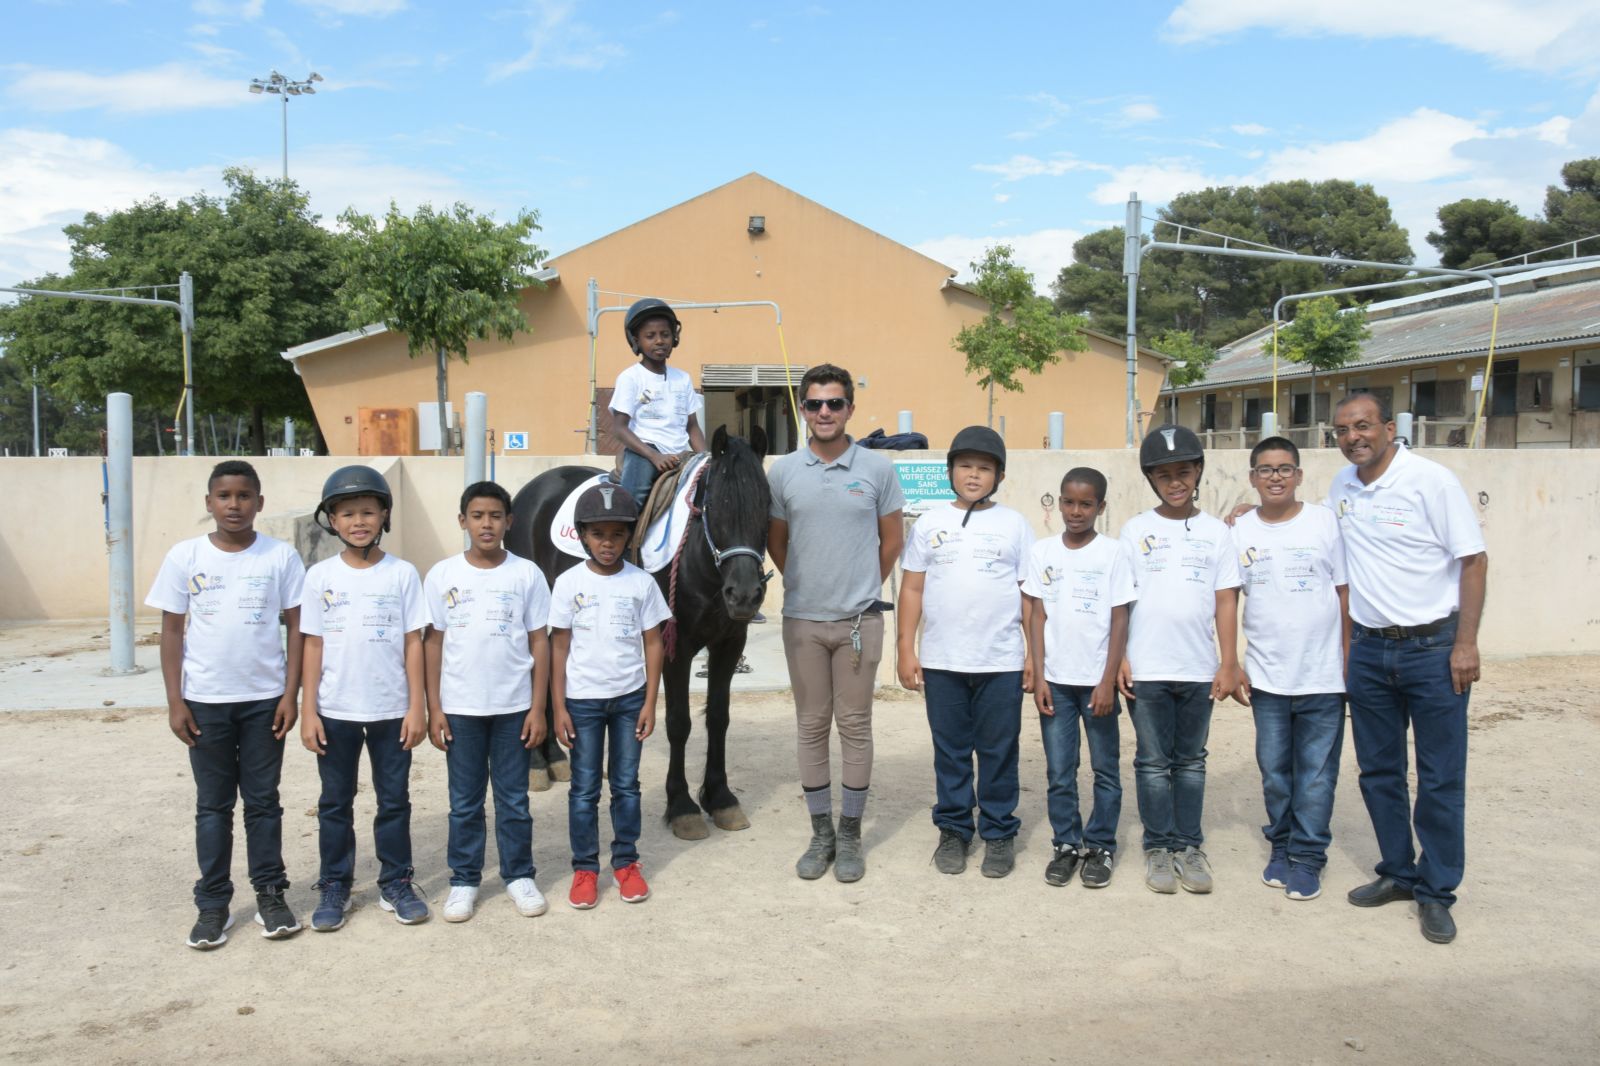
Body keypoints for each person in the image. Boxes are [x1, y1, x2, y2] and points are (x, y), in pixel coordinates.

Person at [1329, 392, 1487, 944]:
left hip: (1433, 649)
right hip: (1370, 652)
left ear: (1389, 427)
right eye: (1344, 430)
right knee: (1379, 772)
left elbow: (1473, 560)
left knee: (1441, 777)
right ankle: (1398, 872)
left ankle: (1437, 891)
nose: (1354, 437)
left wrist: (1465, 643)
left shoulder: (1431, 481)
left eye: (1364, 425)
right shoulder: (1341, 487)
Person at [146, 460, 306, 950]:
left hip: (264, 704)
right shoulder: (185, 556)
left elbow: (298, 628)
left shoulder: (280, 557)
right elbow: (172, 631)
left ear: (260, 502)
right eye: (223, 496)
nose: (233, 505)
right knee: (213, 806)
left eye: (243, 496)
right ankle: (213, 903)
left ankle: (271, 896)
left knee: (263, 803)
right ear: (209, 503)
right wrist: (176, 701)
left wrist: (290, 695)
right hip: (205, 703)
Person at [768, 363, 905, 883]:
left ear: (850, 408)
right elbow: (776, 541)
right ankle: (820, 831)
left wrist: (859, 587)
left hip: (858, 622)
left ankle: (850, 834)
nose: (824, 412)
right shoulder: (783, 472)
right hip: (803, 620)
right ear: (801, 409)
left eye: (835, 403)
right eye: (814, 404)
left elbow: (891, 541)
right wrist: (808, 585)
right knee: (809, 726)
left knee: (854, 725)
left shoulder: (876, 469)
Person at [897, 426, 1034, 879]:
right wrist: (905, 648)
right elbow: (912, 587)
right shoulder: (931, 523)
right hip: (942, 660)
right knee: (951, 750)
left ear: (999, 475)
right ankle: (954, 829)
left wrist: (1035, 655)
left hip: (1001, 660)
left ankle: (998, 833)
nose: (974, 475)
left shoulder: (1014, 524)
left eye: (984, 468)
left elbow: (1029, 595)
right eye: (965, 466)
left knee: (998, 749)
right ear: (950, 471)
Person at [299, 466, 430, 930]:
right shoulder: (318, 577)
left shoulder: (403, 574)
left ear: (384, 516)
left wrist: (418, 706)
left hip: (391, 709)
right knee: (335, 801)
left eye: (368, 512)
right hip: (334, 710)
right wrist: (307, 710)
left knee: (394, 799)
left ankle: (395, 881)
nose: (359, 521)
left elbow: (414, 641)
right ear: (331, 519)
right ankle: (335, 884)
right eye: (347, 512)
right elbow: (312, 644)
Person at [1117, 425, 1241, 896]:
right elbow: (1122, 601)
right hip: (1146, 669)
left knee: (1190, 762)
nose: (1175, 482)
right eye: (1164, 474)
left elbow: (1226, 599)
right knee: (1151, 762)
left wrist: (1228, 662)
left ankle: (1188, 846)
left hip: (1196, 668)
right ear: (1151, 479)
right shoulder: (1136, 530)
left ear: (1198, 473)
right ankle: (1157, 848)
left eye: (1183, 472)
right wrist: (1122, 658)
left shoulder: (1216, 534)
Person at [423, 481, 552, 923]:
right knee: (465, 802)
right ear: (463, 521)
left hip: (514, 706)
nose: (486, 524)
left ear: (509, 522)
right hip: (460, 708)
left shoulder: (526, 574)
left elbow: (540, 641)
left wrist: (538, 708)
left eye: (495, 516)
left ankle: (519, 874)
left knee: (514, 799)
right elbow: (433, 643)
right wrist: (434, 708)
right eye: (477, 516)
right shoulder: (442, 575)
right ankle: (464, 880)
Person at [1231, 437, 1348, 903]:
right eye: (1265, 469)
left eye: (1284, 468)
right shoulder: (1238, 531)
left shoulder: (1325, 523)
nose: (1275, 476)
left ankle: (1308, 858)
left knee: (1317, 774)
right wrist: (1232, 661)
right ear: (1253, 478)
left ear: (1299, 475)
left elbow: (1344, 595)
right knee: (1276, 772)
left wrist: (1348, 662)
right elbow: (1227, 599)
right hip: (1267, 676)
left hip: (1323, 675)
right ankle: (1280, 846)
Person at [548, 484, 672, 910]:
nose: (607, 543)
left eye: (617, 534)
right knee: (583, 790)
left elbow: (654, 643)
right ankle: (585, 868)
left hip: (628, 701)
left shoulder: (641, 583)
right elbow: (558, 647)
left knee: (626, 786)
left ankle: (626, 863)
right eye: (598, 534)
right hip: (582, 703)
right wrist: (558, 706)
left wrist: (651, 702)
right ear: (582, 535)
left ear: (628, 537)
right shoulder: (567, 583)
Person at [1023, 466, 1135, 889]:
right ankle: (1066, 845)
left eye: (1086, 504)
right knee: (1059, 770)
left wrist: (1107, 680)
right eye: (1068, 501)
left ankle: (1101, 845)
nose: (1075, 511)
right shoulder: (1043, 552)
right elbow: (1036, 614)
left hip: (1097, 684)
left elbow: (1120, 617)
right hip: (1057, 683)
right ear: (1059, 502)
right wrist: (1038, 670)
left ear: (1100, 507)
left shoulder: (1112, 553)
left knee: (1105, 768)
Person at [609, 297, 707, 510]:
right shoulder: (631, 377)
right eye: (650, 336)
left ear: (674, 338)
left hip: (682, 454)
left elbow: (692, 426)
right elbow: (619, 427)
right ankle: (626, 542)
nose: (659, 341)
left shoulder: (683, 378)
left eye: (665, 334)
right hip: (645, 452)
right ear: (636, 341)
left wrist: (706, 458)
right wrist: (654, 456)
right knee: (631, 504)